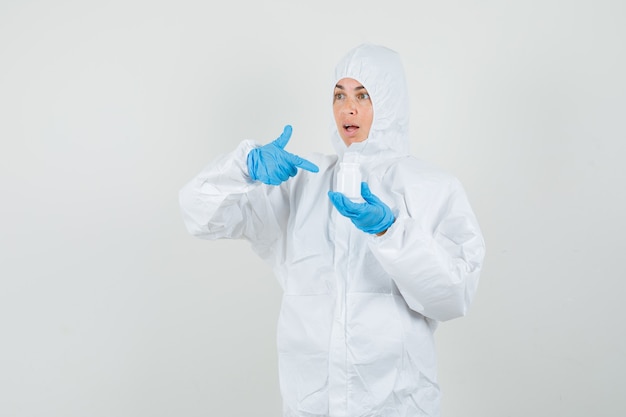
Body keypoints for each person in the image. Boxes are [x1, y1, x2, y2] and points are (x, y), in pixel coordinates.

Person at [179, 43, 485, 417]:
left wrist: (391, 232)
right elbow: (199, 214)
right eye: (339, 95)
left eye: (363, 95)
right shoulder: (303, 182)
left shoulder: (430, 187)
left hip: (398, 404)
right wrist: (243, 167)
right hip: (311, 403)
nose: (348, 108)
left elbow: (452, 296)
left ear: (389, 104)